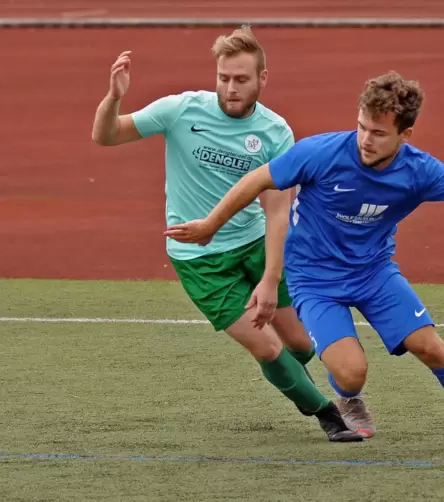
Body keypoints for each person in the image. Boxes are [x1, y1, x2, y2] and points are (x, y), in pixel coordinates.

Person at [163, 70, 444, 453]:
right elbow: (257, 180)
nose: (365, 139)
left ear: (405, 134)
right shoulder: (322, 152)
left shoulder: (419, 170)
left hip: (374, 273)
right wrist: (211, 224)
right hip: (314, 279)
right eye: (361, 127)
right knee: (351, 372)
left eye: (378, 133)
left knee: (431, 347)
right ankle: (350, 398)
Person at [91, 25, 369, 442]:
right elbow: (105, 135)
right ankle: (329, 416)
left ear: (262, 79)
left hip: (255, 244)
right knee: (268, 347)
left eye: (241, 79)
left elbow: (278, 214)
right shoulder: (181, 110)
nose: (230, 88)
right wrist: (114, 97)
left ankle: (298, 378)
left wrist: (270, 279)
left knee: (300, 343)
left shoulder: (276, 133)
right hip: (200, 260)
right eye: (224, 78)